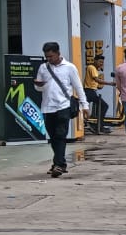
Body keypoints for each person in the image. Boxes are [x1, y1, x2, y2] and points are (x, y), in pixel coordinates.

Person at [34, 42, 88, 178]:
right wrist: (39, 85)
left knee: (60, 135)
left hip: (63, 106)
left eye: (51, 56)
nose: (49, 59)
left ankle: (58, 165)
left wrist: (85, 105)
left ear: (58, 53)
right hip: (47, 107)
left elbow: (78, 87)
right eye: (46, 57)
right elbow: (38, 88)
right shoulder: (43, 67)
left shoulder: (69, 68)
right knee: (52, 137)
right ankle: (60, 163)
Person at [84, 53, 113, 134]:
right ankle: (99, 126)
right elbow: (97, 80)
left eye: (102, 62)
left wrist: (100, 68)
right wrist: (110, 83)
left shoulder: (93, 68)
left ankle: (98, 125)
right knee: (104, 106)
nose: (101, 64)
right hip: (89, 91)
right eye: (100, 62)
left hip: (91, 91)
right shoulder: (92, 67)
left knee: (100, 106)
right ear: (95, 61)